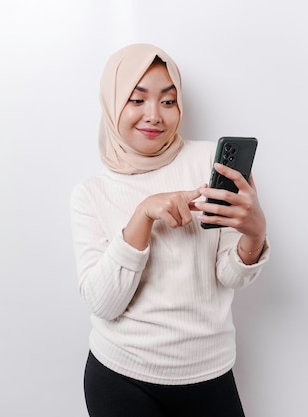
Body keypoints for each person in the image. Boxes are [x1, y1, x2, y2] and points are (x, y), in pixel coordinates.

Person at [70, 43, 270, 417]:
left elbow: (229, 276)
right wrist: (142, 217)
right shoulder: (90, 194)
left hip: (209, 372)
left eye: (167, 101)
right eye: (136, 99)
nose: (154, 115)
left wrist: (254, 236)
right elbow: (103, 304)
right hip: (121, 377)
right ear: (113, 104)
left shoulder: (211, 163)